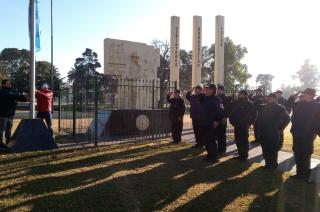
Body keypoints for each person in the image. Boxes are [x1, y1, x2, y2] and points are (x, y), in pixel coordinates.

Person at [287, 88, 320, 183]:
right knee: (297, 153)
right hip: (297, 133)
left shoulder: (317, 106)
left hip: (308, 134)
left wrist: (315, 133)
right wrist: (292, 97)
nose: (303, 95)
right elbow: (288, 105)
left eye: (305, 94)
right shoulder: (300, 104)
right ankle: (299, 174)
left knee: (305, 155)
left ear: (311, 95)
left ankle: (306, 176)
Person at [255, 93, 290, 169]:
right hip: (264, 132)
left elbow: (287, 119)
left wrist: (280, 128)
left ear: (275, 99)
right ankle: (268, 164)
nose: (269, 99)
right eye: (268, 97)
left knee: (273, 150)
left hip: (274, 132)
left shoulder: (280, 108)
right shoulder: (263, 106)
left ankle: (273, 165)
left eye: (271, 98)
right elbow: (256, 111)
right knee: (265, 149)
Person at [199, 84, 224, 163]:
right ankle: (209, 155)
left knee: (211, 141)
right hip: (205, 122)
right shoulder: (205, 98)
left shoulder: (217, 99)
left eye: (208, 89)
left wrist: (217, 121)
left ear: (212, 90)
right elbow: (199, 99)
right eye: (206, 89)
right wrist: (202, 92)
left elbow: (220, 111)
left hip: (212, 123)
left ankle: (214, 157)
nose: (206, 90)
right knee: (206, 140)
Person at [0, 79, 28, 149]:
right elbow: (11, 95)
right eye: (8, 83)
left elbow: (22, 99)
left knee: (8, 129)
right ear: (3, 84)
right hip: (3, 114)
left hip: (10, 114)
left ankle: (8, 143)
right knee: (1, 129)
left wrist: (25, 97)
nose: (10, 84)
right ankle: (0, 143)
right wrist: (20, 95)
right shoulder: (2, 91)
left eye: (10, 83)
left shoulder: (13, 91)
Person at [229, 90, 257, 161]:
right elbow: (232, 112)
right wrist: (232, 121)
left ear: (245, 95)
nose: (238, 95)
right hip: (237, 125)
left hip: (244, 125)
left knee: (243, 140)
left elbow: (254, 115)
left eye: (240, 94)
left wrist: (250, 123)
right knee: (238, 140)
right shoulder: (237, 103)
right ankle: (240, 154)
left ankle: (244, 156)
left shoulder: (250, 104)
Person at [216, 85, 231, 154]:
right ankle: (219, 148)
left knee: (222, 134)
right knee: (218, 134)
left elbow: (227, 109)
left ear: (222, 90)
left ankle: (222, 149)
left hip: (223, 118)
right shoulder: (217, 97)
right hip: (217, 118)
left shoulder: (225, 98)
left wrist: (225, 117)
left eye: (219, 90)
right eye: (217, 89)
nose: (217, 91)